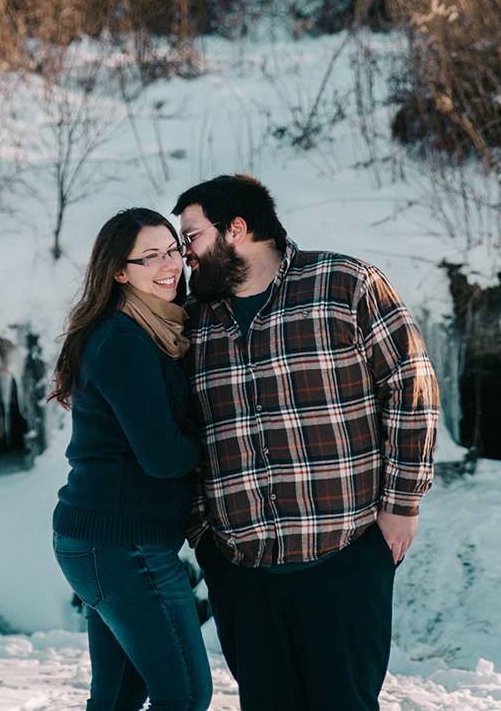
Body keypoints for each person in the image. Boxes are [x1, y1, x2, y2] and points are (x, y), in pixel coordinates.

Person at [173, 174, 439, 711]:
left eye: (192, 237)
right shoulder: (194, 321)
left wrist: (401, 505)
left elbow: (412, 388)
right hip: (241, 569)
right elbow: (182, 432)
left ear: (237, 230)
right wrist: (205, 536)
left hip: (344, 557)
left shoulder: (343, 284)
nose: (185, 256)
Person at [50, 207, 212, 711]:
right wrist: (227, 439)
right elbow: (162, 456)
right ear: (120, 271)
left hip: (104, 541)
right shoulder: (124, 340)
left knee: (119, 697)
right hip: (122, 546)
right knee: (184, 693)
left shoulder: (154, 330)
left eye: (172, 252)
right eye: (150, 257)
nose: (168, 266)